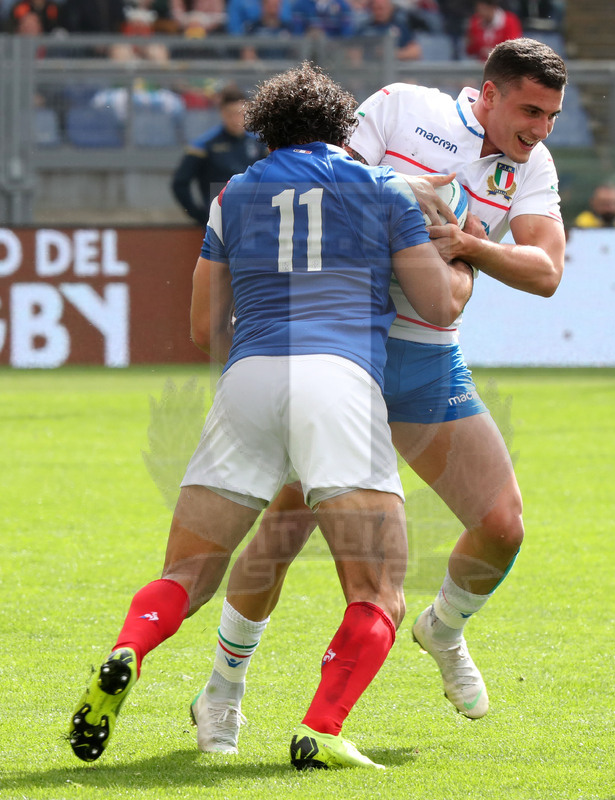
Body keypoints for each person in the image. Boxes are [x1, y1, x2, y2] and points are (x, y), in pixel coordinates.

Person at [68, 61, 464, 770]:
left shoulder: (233, 195)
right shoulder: (380, 190)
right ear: (344, 129)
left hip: (248, 377)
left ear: (264, 131)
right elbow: (437, 306)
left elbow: (201, 327)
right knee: (378, 591)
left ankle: (129, 647)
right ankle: (322, 728)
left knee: (186, 573)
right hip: (340, 382)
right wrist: (461, 256)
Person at [195, 36, 567, 754]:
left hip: (427, 357)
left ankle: (443, 629)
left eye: (551, 115)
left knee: (502, 524)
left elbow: (547, 270)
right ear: (487, 94)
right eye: (529, 111)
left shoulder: (534, 167)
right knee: (282, 530)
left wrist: (468, 243)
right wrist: (414, 201)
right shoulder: (402, 109)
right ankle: (222, 691)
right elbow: (319, 185)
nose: (539, 130)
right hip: (342, 349)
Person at [171, 85, 267, 227]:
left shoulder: (260, 144)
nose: (236, 119)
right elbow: (180, 183)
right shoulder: (204, 145)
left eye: (240, 113)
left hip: (254, 222)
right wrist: (200, 215)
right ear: (222, 113)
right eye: (230, 114)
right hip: (221, 223)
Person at [355, 0, 422, 60]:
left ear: (390, 9)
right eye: (375, 8)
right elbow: (353, 52)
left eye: (381, 8)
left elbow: (415, 52)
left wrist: (391, 54)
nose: (379, 12)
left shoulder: (400, 27)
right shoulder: (364, 28)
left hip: (395, 69)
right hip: (370, 69)